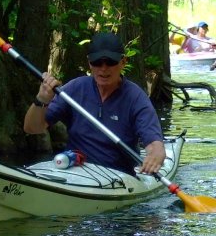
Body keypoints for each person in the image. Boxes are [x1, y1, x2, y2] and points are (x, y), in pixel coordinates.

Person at [25, 32, 166, 175]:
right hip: (74, 172)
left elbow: (155, 145)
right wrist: (42, 99)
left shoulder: (136, 98)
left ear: (123, 62)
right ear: (89, 63)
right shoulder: (74, 88)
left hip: (118, 177)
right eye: (97, 62)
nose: (103, 68)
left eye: (110, 62)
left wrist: (154, 156)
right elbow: (32, 128)